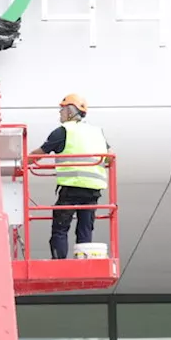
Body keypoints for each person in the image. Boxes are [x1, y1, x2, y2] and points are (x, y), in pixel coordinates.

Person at [27, 93, 111, 259]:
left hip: (72, 188)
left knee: (60, 226)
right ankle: (85, 259)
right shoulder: (97, 132)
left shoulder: (63, 131)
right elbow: (110, 155)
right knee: (85, 227)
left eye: (62, 110)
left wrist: (21, 161)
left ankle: (59, 261)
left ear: (71, 112)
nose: (60, 113)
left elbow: (40, 154)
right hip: (93, 190)